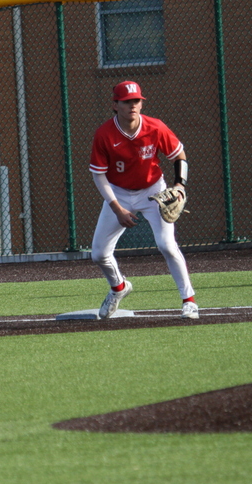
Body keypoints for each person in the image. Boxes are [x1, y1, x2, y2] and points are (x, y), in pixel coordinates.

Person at [89, 81, 198, 320]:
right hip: (118, 192)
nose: (133, 105)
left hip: (153, 192)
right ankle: (119, 287)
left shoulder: (155, 127)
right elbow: (99, 174)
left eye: (136, 101)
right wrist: (116, 208)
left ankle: (189, 301)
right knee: (98, 254)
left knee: (167, 245)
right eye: (127, 102)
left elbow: (179, 155)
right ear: (115, 105)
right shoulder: (105, 134)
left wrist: (179, 186)